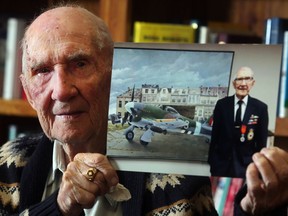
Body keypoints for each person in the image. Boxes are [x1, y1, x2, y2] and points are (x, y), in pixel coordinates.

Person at [0, 5, 287, 216]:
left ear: (113, 73)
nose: (62, 90)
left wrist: (259, 210)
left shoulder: (186, 180)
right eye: (43, 71)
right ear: (28, 92)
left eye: (80, 64)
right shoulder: (7, 165)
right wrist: (59, 207)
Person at [208, 66, 269, 178]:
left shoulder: (260, 108)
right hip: (221, 166)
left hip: (247, 168)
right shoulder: (222, 105)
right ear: (233, 83)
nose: (243, 83)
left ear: (253, 83)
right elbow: (215, 136)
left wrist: (258, 168)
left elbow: (261, 143)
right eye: (239, 79)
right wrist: (212, 161)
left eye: (247, 79)